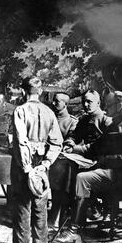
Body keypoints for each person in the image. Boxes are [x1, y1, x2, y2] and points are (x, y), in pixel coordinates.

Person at [55, 91, 122, 243]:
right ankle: (80, 218)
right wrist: (74, 149)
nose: (106, 108)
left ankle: (74, 229)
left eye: (108, 104)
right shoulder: (113, 124)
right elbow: (95, 147)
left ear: (119, 105)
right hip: (110, 171)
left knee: (82, 178)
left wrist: (108, 159)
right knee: (76, 175)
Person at [4, 77, 63, 243]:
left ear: (23, 91)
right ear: (40, 91)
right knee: (40, 204)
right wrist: (45, 164)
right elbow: (57, 142)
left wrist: (28, 168)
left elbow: (21, 142)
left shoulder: (20, 110)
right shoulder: (49, 112)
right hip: (42, 163)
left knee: (22, 204)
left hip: (25, 164)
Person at [64, 90, 112, 220]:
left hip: (103, 160)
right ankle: (84, 207)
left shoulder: (106, 121)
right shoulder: (84, 119)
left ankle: (100, 208)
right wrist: (69, 143)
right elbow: (74, 135)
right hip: (86, 158)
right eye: (84, 101)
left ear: (98, 102)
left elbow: (102, 146)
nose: (85, 104)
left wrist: (76, 149)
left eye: (89, 101)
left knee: (83, 176)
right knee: (67, 171)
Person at [47, 92, 79, 235]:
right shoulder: (49, 119)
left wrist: (68, 144)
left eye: (57, 102)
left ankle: (58, 218)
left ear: (65, 104)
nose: (54, 104)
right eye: (54, 101)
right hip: (48, 155)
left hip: (63, 158)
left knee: (62, 173)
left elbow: (72, 137)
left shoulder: (72, 121)